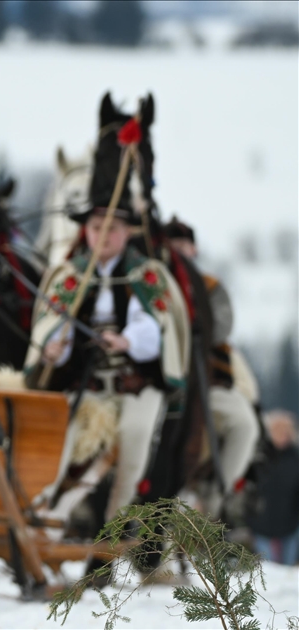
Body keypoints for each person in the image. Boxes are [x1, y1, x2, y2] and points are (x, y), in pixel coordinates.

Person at [25, 203, 190, 525]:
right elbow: (51, 325)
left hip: (136, 386)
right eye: (96, 227)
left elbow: (157, 325)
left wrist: (127, 340)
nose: (103, 236)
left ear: (128, 233)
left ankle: (116, 521)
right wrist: (53, 348)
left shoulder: (147, 275)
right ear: (85, 231)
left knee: (135, 439)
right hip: (86, 387)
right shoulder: (69, 274)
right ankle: (41, 513)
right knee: (55, 440)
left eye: (112, 228)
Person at [163, 217, 261, 503]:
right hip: (162, 382)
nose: (179, 251)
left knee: (244, 423)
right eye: (173, 245)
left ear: (194, 250)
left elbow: (221, 329)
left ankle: (215, 497)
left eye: (184, 245)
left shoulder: (209, 287)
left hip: (207, 380)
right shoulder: (151, 284)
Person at [247, 410, 299, 565]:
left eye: (286, 430)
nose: (283, 434)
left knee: (287, 570)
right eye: (278, 430)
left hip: (291, 524)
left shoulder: (296, 458)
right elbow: (244, 486)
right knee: (267, 572)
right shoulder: (257, 455)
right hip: (261, 523)